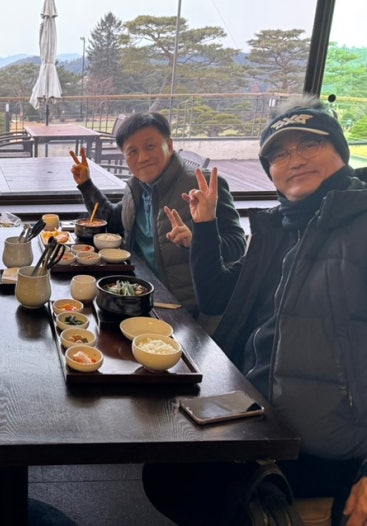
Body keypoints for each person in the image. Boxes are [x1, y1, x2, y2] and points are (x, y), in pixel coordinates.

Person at [144, 96, 367, 526]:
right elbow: (217, 297)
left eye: (310, 144)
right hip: (258, 410)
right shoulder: (280, 227)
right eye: (279, 154)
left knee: (184, 480)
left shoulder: (359, 226)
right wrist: (204, 226)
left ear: (340, 151)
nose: (294, 160)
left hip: (325, 444)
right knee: (164, 468)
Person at [70, 111, 245, 316]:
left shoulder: (202, 187)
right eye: (132, 151)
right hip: (138, 292)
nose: (142, 158)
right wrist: (86, 184)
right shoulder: (136, 186)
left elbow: (237, 245)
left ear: (169, 145)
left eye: (150, 147)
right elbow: (113, 221)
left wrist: (198, 240)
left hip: (184, 308)